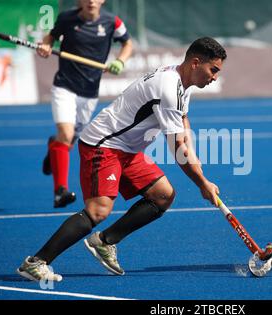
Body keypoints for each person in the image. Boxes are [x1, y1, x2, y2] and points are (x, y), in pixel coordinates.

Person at [17, 36, 227, 281]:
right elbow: (176, 146)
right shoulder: (169, 87)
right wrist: (202, 183)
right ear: (195, 62)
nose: (215, 77)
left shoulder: (181, 81)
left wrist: (194, 154)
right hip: (103, 145)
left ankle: (105, 242)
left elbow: (183, 120)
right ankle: (36, 262)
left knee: (163, 195)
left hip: (127, 150)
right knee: (98, 210)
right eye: (213, 70)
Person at [38, 0, 133, 208]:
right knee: (66, 134)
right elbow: (51, 36)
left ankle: (53, 149)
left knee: (68, 140)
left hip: (90, 92)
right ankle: (60, 191)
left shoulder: (112, 22)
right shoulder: (67, 19)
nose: (91, 0)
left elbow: (127, 43)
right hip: (64, 85)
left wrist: (120, 61)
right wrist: (46, 45)